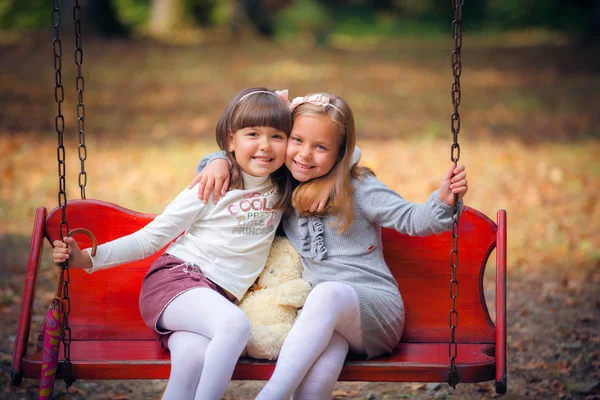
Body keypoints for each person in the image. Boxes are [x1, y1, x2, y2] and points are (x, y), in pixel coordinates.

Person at [191, 91, 469, 400]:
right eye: (297, 141)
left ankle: (270, 396)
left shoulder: (358, 188)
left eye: (320, 147)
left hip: (374, 311)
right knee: (321, 365)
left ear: (339, 154)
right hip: (324, 321)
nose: (305, 155)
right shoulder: (280, 185)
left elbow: (413, 219)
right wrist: (216, 160)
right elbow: (241, 159)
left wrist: (443, 201)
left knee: (327, 292)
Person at [51, 87, 294, 400]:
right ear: (231, 139)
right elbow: (152, 236)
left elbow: (344, 153)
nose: (265, 146)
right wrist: (86, 258)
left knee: (192, 361)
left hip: (213, 299)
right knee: (234, 326)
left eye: (277, 135)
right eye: (252, 134)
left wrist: (299, 110)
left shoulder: (283, 184)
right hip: (177, 282)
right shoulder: (213, 184)